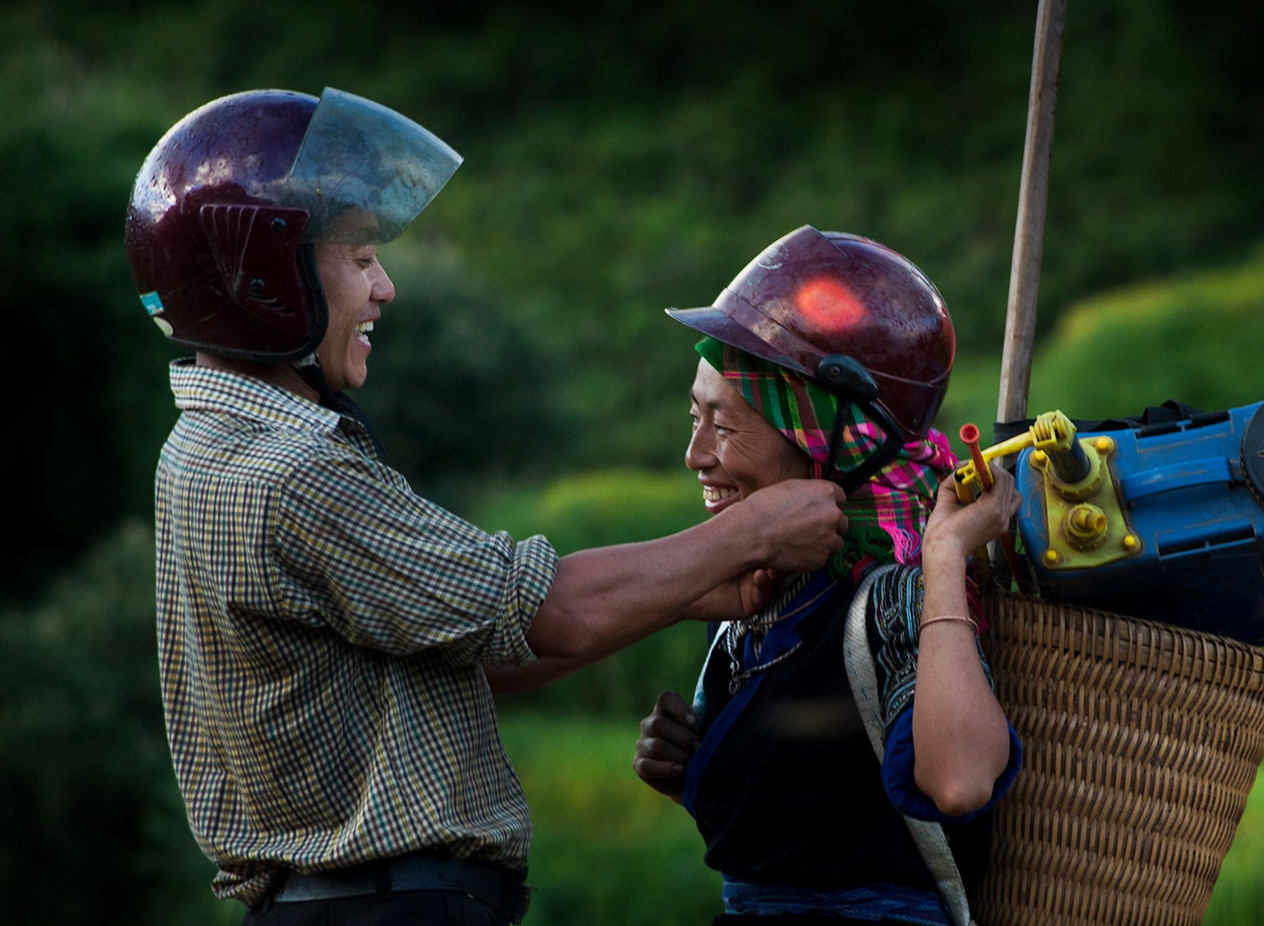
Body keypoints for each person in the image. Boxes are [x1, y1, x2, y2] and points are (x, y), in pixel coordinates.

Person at [125, 89, 849, 925]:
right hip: (384, 911)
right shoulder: (289, 471)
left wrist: (693, 592)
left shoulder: (204, 448)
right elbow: (546, 610)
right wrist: (754, 531)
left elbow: (469, 650)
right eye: (360, 258)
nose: (385, 287)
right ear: (265, 280)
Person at [631, 225, 1023, 926]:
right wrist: (696, 768)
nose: (695, 455)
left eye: (724, 426)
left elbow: (961, 783)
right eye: (694, 417)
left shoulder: (895, 597)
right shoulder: (758, 597)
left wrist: (943, 556)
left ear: (822, 441)